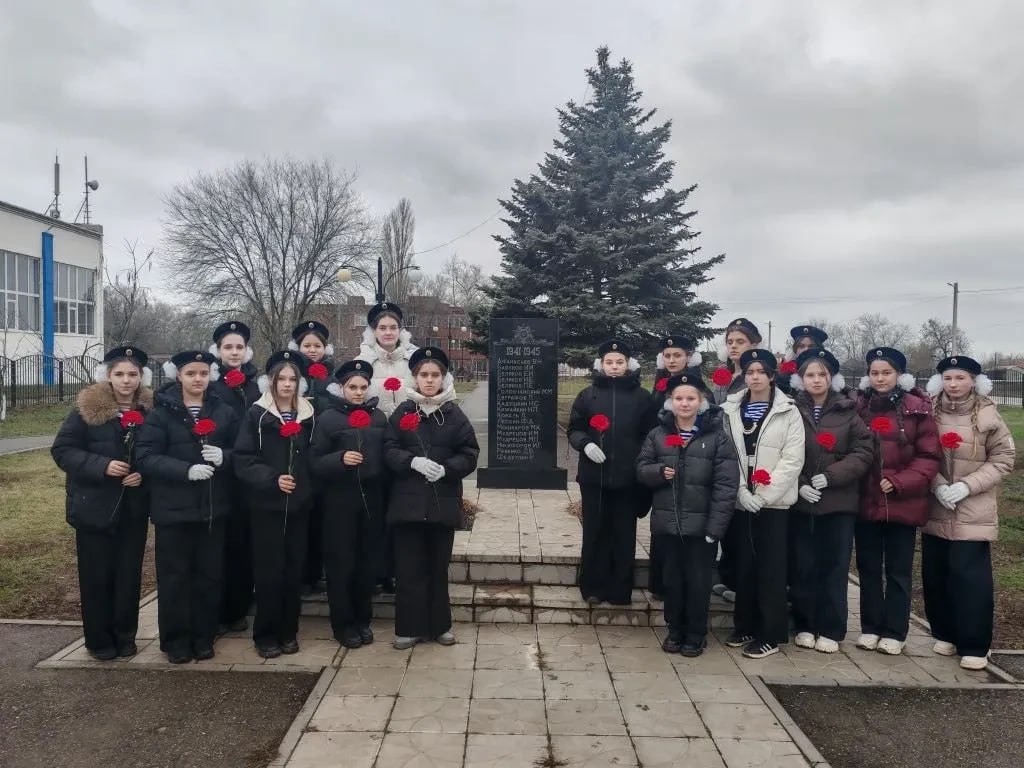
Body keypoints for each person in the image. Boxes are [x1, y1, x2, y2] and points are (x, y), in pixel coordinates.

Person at [51, 346, 153, 661]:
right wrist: (103, 466)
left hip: (132, 509)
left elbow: (157, 453)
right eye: (119, 374)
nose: (126, 380)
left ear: (141, 378)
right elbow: (63, 450)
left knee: (128, 575)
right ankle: (99, 640)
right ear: (108, 376)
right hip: (94, 507)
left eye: (132, 374)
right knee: (96, 576)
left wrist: (143, 474)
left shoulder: (151, 412)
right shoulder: (87, 410)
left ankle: (125, 636)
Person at [135, 350, 238, 663]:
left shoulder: (223, 411)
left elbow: (243, 451)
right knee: (175, 577)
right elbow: (146, 456)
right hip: (174, 510)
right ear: (178, 375)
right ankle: (177, 640)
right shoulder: (161, 413)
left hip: (212, 508)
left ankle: (204, 637)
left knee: (209, 576)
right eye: (191, 373)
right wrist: (185, 470)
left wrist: (225, 457)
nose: (198, 379)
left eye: (203, 373)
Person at [922, 356, 1015, 670]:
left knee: (970, 579)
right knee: (936, 575)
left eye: (960, 378)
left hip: (972, 510)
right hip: (937, 506)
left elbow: (1003, 458)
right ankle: (944, 632)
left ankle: (975, 644)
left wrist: (966, 486)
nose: (953, 384)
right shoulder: (929, 411)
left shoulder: (988, 414)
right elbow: (919, 453)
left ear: (974, 381)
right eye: (948, 378)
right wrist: (936, 485)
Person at [636, 373, 738, 656]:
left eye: (690, 398)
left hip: (701, 528)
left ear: (701, 401)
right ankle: (675, 630)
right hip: (668, 526)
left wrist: (715, 527)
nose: (684, 403)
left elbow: (726, 486)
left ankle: (695, 633)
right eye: (678, 398)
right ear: (670, 402)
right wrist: (658, 472)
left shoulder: (716, 438)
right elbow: (641, 468)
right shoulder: (658, 435)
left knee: (698, 582)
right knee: (672, 581)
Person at [386, 347, 479, 649]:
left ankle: (440, 626)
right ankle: (409, 627)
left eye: (435, 375)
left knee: (437, 568)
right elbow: (388, 448)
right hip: (408, 505)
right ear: (415, 378)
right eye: (423, 375)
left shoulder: (454, 414)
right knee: (409, 569)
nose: (429, 380)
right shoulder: (403, 412)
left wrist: (447, 469)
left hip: (441, 503)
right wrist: (410, 461)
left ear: (443, 378)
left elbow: (470, 452)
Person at [854, 347, 940, 655]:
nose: (880, 378)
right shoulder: (859, 406)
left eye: (886, 373)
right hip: (866, 501)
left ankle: (895, 631)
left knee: (898, 570)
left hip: (902, 501)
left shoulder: (917, 408)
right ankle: (870, 627)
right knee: (867, 568)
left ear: (899, 375)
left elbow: (929, 457)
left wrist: (900, 481)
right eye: (874, 373)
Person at [789, 349, 874, 653]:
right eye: (810, 375)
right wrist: (799, 484)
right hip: (802, 503)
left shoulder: (847, 411)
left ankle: (831, 628)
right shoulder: (791, 409)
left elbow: (863, 451)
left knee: (834, 567)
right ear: (801, 379)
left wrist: (832, 476)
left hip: (838, 503)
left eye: (821, 374)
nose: (816, 380)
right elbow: (783, 451)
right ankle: (805, 624)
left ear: (831, 378)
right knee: (804, 565)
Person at [722, 349, 805, 659]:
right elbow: (727, 453)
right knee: (744, 565)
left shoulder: (788, 411)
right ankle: (745, 625)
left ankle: (770, 633)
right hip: (741, 501)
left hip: (774, 503)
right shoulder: (730, 409)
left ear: (772, 376)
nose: (755, 377)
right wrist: (741, 492)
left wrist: (765, 496)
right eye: (750, 372)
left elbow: (792, 459)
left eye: (761, 371)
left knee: (771, 568)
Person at [233, 350, 316, 659]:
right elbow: (243, 458)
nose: (287, 384)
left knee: (293, 570)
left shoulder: (308, 414)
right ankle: (266, 633)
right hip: (267, 507)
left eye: (292, 379)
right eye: (281, 379)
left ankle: (288, 631)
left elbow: (314, 458)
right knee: (269, 571)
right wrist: (272, 479)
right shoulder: (257, 414)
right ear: (271, 381)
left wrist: (305, 489)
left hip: (299, 507)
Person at [311, 359, 393, 648]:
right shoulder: (328, 418)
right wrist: (340, 459)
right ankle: (343, 624)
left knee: (366, 564)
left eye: (363, 387)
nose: (358, 393)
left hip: (372, 500)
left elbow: (388, 455)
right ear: (342, 388)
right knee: (341, 563)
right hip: (339, 502)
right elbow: (314, 461)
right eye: (352, 387)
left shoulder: (378, 417)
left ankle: (362, 619)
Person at [568, 340, 655, 606]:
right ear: (601, 365)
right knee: (595, 532)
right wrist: (586, 444)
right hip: (594, 478)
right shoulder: (588, 395)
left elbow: (650, 433)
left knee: (623, 534)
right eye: (609, 362)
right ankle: (593, 587)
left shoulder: (642, 397)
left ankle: (620, 589)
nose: (614, 367)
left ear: (628, 364)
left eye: (619, 362)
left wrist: (639, 456)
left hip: (628, 479)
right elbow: (575, 429)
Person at [357, 301, 419, 595]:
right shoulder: (364, 360)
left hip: (407, 441)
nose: (388, 332)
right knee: (375, 509)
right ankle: (376, 570)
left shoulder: (413, 358)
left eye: (393, 327)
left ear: (400, 329)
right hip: (375, 441)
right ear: (374, 331)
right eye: (382, 327)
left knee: (402, 506)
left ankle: (398, 570)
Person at [207, 319, 260, 634]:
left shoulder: (256, 384)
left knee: (243, 544)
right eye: (228, 347)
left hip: (248, 474)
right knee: (219, 545)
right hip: (221, 472)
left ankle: (238, 607)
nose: (234, 352)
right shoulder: (210, 383)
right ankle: (217, 609)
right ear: (218, 350)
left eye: (239, 347)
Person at [648, 335, 706, 601]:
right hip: (662, 461)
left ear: (688, 357)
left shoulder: (697, 387)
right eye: (667, 356)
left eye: (677, 355)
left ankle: (682, 587)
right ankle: (660, 583)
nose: (672, 360)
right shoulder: (659, 385)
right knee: (662, 524)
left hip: (692, 462)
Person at [711, 318, 762, 602]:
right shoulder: (724, 376)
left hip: (746, 456)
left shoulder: (757, 377)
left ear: (754, 344)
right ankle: (727, 577)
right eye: (730, 342)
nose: (733, 347)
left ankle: (744, 584)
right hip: (720, 454)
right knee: (726, 520)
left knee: (745, 525)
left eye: (740, 341)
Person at [290, 320, 336, 596]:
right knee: (300, 517)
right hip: (296, 453)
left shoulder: (333, 377)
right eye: (306, 345)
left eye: (317, 345)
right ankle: (302, 574)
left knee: (322, 518)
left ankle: (318, 571)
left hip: (324, 453)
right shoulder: (289, 374)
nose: (312, 350)